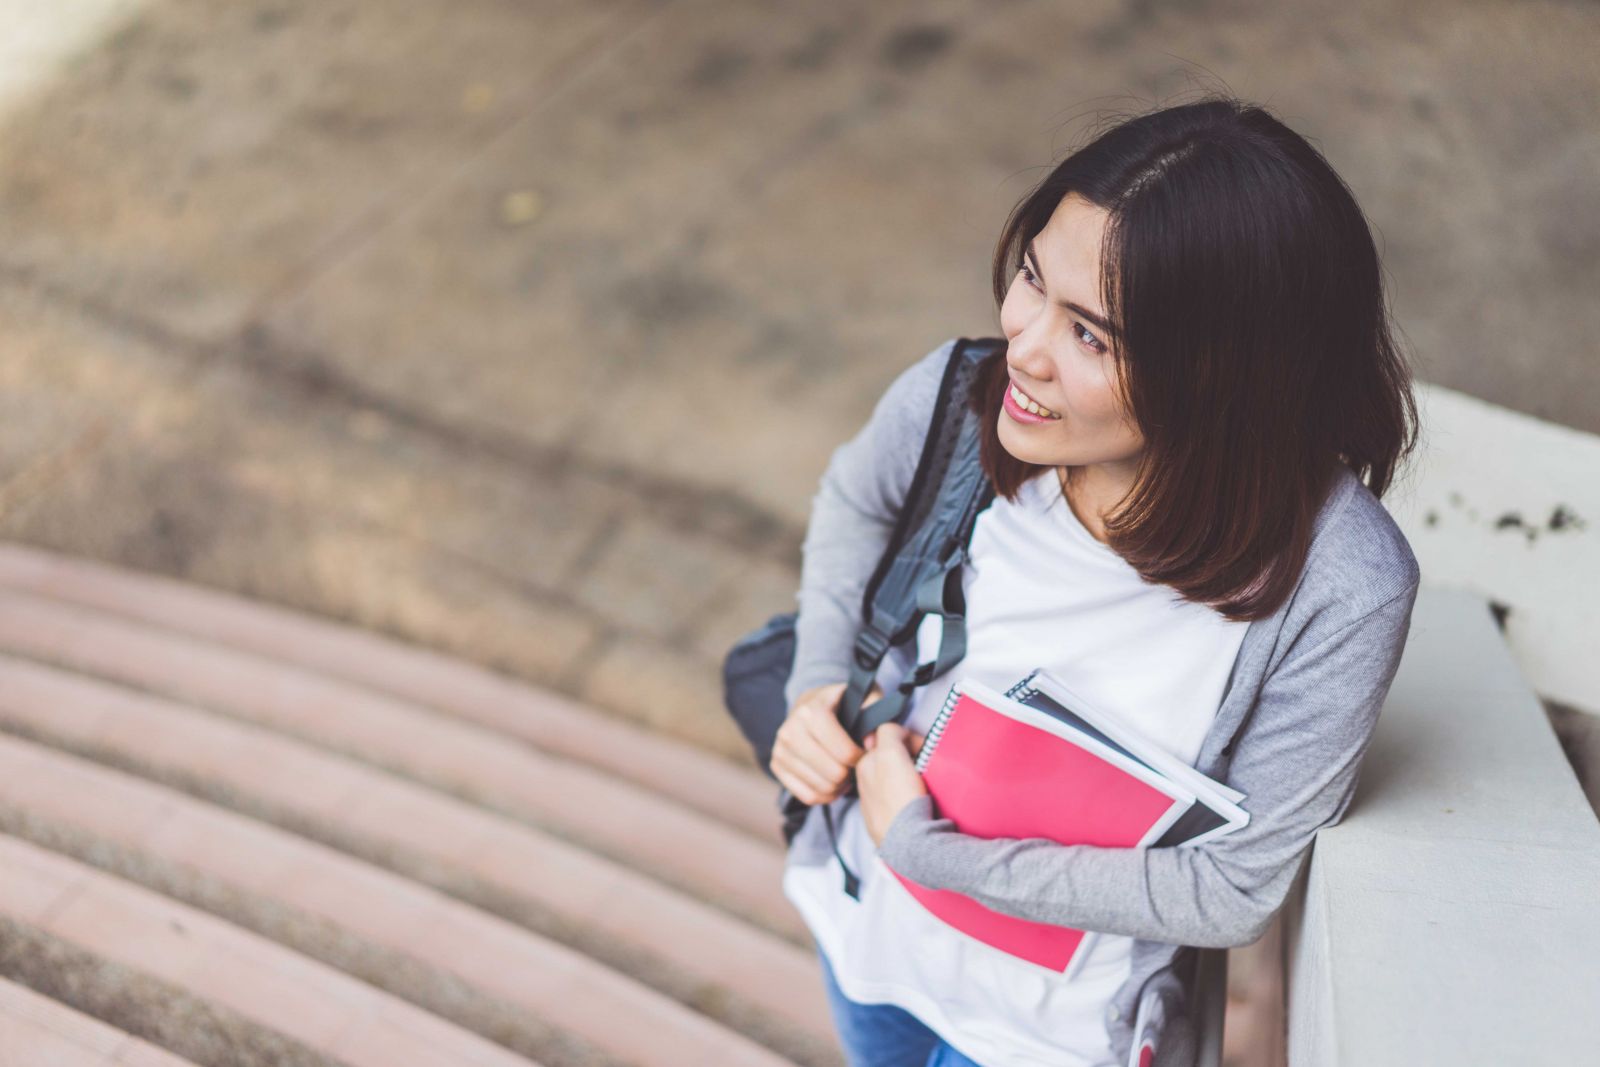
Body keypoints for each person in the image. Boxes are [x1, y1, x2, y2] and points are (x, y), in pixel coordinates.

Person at [770, 95, 1422, 1067]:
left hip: (1058, 1036)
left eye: (1092, 336)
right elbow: (854, 501)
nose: (1023, 347)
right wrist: (817, 680)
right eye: (1032, 278)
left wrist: (929, 851)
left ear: (1227, 376)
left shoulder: (1337, 583)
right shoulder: (960, 399)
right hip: (867, 936)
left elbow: (1232, 885)